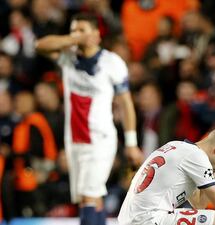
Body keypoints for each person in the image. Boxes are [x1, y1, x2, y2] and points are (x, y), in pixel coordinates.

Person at [35, 13, 144, 225]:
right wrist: (75, 40)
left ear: (96, 35)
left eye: (82, 30)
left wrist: (131, 144)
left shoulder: (112, 62)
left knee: (88, 197)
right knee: (93, 198)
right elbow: (40, 45)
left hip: (100, 139)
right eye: (73, 30)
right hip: (75, 140)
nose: (76, 34)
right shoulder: (68, 57)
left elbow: (126, 104)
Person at [118, 127, 215, 225]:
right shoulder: (197, 157)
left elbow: (199, 204)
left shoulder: (177, 146)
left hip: (132, 218)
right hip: (149, 219)